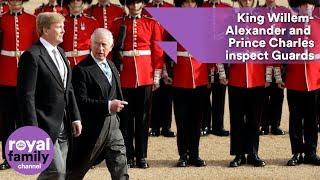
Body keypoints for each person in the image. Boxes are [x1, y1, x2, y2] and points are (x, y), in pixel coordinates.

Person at [16, 12, 82, 179]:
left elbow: (69, 88)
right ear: (45, 29)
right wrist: (32, 130)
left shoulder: (60, 52)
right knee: (55, 171)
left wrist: (75, 117)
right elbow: (26, 96)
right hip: (43, 124)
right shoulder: (31, 55)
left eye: (63, 27)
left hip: (64, 123)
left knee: (59, 173)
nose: (63, 31)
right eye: (59, 27)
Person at [68, 28, 129, 180]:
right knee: (77, 170)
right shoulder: (81, 69)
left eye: (104, 44)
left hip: (113, 125)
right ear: (90, 43)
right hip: (92, 129)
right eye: (96, 44)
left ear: (111, 46)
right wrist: (108, 105)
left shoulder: (112, 65)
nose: (100, 48)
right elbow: (80, 101)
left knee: (120, 164)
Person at [110, 0, 164, 168]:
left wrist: (156, 76)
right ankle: (128, 155)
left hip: (145, 75)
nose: (134, 6)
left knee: (143, 119)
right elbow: (112, 51)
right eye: (131, 3)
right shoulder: (118, 23)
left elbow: (158, 51)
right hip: (125, 77)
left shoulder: (151, 23)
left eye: (137, 2)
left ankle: (142, 156)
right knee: (125, 120)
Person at [227, 0, 267, 168]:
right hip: (236, 76)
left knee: (254, 119)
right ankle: (238, 154)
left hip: (256, 75)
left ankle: (253, 153)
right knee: (237, 119)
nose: (247, 0)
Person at [280, 0, 320, 166]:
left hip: (314, 80)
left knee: (312, 119)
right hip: (295, 79)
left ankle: (311, 152)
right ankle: (297, 152)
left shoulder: (318, 24)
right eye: (303, 5)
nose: (307, 7)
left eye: (309, 4)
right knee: (295, 119)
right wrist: (281, 75)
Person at [0, 0, 37, 170]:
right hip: (5, 75)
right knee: (7, 119)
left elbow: (37, 48)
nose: (14, 2)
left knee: (25, 117)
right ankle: (8, 157)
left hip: (26, 74)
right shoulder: (1, 19)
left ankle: (24, 155)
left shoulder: (32, 19)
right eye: (11, 0)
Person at [172, 0, 208, 168]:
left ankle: (195, 154)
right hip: (180, 78)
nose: (188, 6)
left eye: (192, 2)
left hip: (199, 78)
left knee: (196, 121)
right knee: (182, 120)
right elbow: (166, 50)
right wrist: (167, 73)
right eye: (185, 2)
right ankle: (183, 155)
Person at [145, 0, 176, 138]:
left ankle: (166, 126)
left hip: (168, 50)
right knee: (155, 93)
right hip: (152, 52)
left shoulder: (170, 8)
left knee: (168, 93)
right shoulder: (146, 8)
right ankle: (154, 126)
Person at [201, 0, 231, 137]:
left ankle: (218, 126)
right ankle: (205, 125)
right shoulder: (201, 6)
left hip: (221, 57)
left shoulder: (228, 8)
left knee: (220, 94)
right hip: (204, 57)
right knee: (204, 94)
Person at [259, 0, 285, 136]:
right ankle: (263, 124)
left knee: (277, 95)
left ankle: (275, 125)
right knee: (263, 95)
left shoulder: (284, 12)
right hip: (262, 60)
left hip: (278, 60)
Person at [60, 0, 99, 68]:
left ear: (83, 3)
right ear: (68, 4)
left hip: (86, 62)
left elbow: (96, 44)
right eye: (72, 0)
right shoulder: (61, 22)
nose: (75, 2)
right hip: (66, 62)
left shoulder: (92, 22)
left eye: (78, 0)